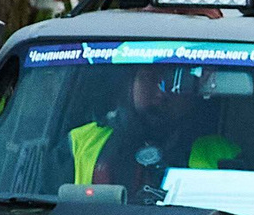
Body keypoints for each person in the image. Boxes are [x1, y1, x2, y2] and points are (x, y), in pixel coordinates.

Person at [68, 66, 241, 190]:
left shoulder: (222, 153)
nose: (161, 94)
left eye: (174, 82)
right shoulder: (80, 141)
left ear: (193, 93)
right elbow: (50, 210)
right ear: (130, 85)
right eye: (150, 79)